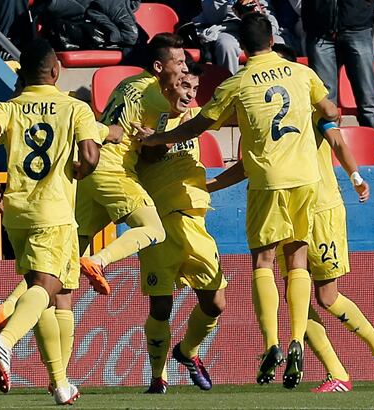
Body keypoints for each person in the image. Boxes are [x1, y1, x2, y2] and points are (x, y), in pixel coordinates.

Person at [135, 13, 339, 389]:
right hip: (308, 179)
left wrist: (155, 140)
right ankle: (296, 339)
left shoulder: (238, 83)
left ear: (241, 49)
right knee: (296, 261)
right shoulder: (302, 73)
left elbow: (199, 124)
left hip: (267, 180)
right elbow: (329, 111)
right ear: (274, 39)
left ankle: (272, 344)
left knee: (263, 258)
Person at [209, 43, 374, 393]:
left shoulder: (307, 109)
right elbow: (246, 165)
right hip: (294, 204)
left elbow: (335, 138)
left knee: (327, 296)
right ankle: (337, 372)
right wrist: (208, 184)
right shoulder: (272, 113)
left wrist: (355, 176)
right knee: (298, 294)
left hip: (320, 208)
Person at [0, 38, 100, 405]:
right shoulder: (75, 107)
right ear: (56, 71)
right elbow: (91, 153)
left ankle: (61, 384)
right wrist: (84, 167)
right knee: (50, 285)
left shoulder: (8, 106)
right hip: (54, 210)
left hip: (17, 211)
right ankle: (6, 339)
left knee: (53, 294)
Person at [133, 64, 227, 394]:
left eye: (194, 88)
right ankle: (158, 378)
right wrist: (156, 140)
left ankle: (187, 352)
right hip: (158, 224)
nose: (188, 93)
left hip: (193, 222)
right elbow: (147, 157)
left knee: (215, 303)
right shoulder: (149, 119)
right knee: (161, 306)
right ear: (170, 85)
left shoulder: (200, 118)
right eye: (183, 85)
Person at [76, 33, 189, 297]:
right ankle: (99, 261)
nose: (184, 67)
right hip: (114, 171)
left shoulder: (126, 83)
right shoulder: (160, 102)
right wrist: (177, 133)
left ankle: (9, 307)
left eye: (185, 61)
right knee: (153, 229)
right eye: (179, 61)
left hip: (92, 168)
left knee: (66, 258)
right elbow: (153, 154)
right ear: (159, 67)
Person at [302, 0, 374, 131]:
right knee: (325, 103)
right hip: (319, 30)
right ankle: (328, 149)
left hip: (357, 26)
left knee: (368, 102)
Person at [192, 0, 284, 74]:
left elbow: (270, 18)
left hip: (257, 27)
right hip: (227, 28)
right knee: (226, 46)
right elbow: (213, 17)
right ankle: (231, 88)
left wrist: (253, 15)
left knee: (279, 43)